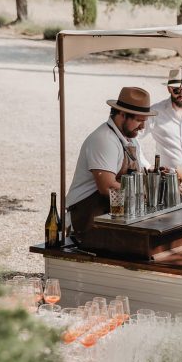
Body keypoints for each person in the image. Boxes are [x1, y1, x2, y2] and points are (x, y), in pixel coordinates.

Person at [66, 87, 156, 244]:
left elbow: (138, 174)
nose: (142, 127)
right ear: (122, 114)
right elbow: (107, 187)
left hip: (112, 213)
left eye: (144, 121)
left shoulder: (130, 139)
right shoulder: (104, 139)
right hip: (88, 216)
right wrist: (143, 194)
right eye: (139, 120)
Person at [142, 68, 182, 170]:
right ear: (169, 89)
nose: (181, 94)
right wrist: (146, 165)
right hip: (166, 178)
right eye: (176, 90)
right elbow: (132, 138)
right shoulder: (155, 112)